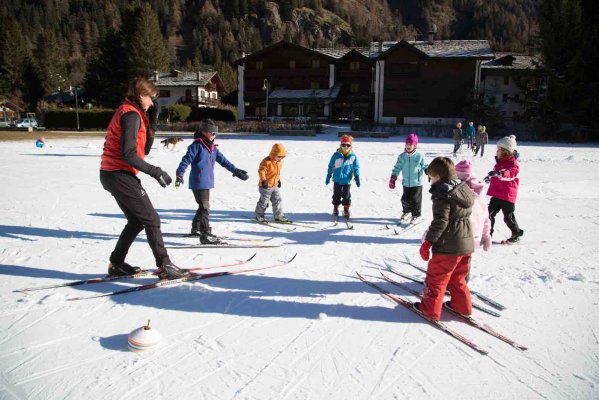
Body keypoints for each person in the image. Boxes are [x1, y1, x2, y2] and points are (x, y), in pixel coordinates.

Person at [99, 77, 188, 280]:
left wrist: (153, 122)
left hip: (113, 174)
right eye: (151, 98)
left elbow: (144, 150)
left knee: (136, 221)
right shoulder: (130, 115)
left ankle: (117, 264)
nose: (152, 103)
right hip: (118, 173)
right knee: (151, 219)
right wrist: (156, 172)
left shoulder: (133, 112)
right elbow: (129, 154)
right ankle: (165, 266)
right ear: (141, 95)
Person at [415, 157, 475, 321]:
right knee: (458, 278)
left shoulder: (442, 192)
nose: (430, 181)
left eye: (432, 177)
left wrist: (428, 242)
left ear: (439, 177)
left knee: (436, 279)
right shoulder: (462, 188)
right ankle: (462, 306)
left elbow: (441, 221)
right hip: (466, 243)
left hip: (448, 245)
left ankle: (429, 310)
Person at [175, 119, 249, 244]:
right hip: (198, 181)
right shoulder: (196, 145)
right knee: (205, 207)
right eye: (212, 133)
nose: (215, 136)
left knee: (203, 207)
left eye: (216, 134)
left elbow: (224, 161)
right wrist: (180, 174)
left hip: (207, 182)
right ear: (204, 132)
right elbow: (186, 160)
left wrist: (236, 171)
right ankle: (205, 234)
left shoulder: (213, 148)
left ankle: (196, 228)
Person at [484, 135, 523, 243]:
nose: (497, 151)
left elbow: (510, 174)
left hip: (507, 195)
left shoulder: (513, 163)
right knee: (489, 214)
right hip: (497, 193)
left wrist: (499, 173)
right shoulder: (500, 161)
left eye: (499, 149)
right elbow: (497, 174)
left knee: (508, 217)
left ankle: (516, 233)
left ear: (505, 151)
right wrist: (490, 177)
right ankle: (488, 234)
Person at [388, 133, 428, 224]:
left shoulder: (419, 156)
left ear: (415, 146)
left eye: (410, 144)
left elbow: (424, 165)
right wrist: (393, 178)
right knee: (405, 199)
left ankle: (416, 215)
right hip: (406, 183)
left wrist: (427, 171)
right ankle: (407, 212)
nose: (408, 146)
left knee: (415, 200)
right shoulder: (402, 157)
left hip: (417, 183)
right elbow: (397, 167)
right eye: (407, 144)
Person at [325, 135, 360, 218]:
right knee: (336, 195)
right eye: (343, 145)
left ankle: (346, 209)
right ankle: (335, 208)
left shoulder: (353, 156)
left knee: (346, 195)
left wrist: (357, 177)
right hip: (337, 179)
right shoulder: (336, 155)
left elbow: (356, 167)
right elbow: (330, 166)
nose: (346, 147)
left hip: (347, 180)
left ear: (351, 146)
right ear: (340, 145)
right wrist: (328, 176)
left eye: (348, 145)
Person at [255, 143, 289, 223]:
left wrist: (278, 180)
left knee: (277, 200)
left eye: (282, 157)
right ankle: (259, 215)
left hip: (274, 185)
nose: (280, 158)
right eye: (279, 156)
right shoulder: (266, 162)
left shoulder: (279, 162)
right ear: (274, 154)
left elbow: (277, 172)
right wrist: (263, 180)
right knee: (264, 202)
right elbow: (261, 171)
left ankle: (278, 216)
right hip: (265, 186)